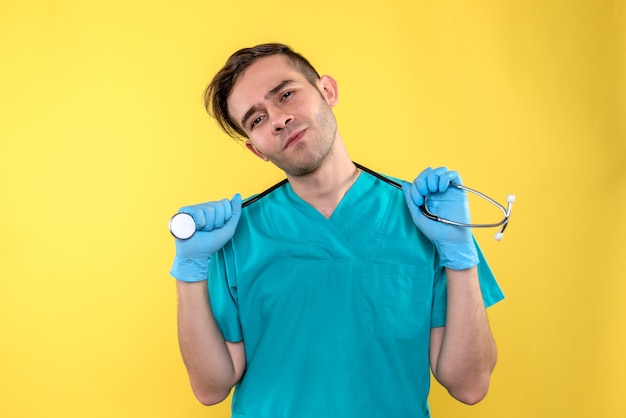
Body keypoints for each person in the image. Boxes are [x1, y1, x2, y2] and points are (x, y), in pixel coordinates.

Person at [170, 43, 504, 418]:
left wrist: (459, 254)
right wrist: (189, 272)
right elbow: (210, 388)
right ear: (256, 150)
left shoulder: (429, 218)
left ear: (327, 91)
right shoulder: (233, 236)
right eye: (257, 120)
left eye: (286, 94)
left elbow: (470, 385)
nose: (278, 118)